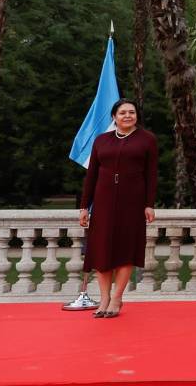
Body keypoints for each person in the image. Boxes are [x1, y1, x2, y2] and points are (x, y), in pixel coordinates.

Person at [78, 99, 157, 318]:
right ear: (114, 116)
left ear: (137, 116)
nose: (127, 116)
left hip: (133, 202)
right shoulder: (101, 140)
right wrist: (84, 206)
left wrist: (149, 204)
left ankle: (117, 298)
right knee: (101, 250)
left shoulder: (147, 139)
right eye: (122, 113)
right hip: (103, 201)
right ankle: (104, 298)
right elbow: (91, 175)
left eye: (132, 112)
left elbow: (151, 174)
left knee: (126, 249)